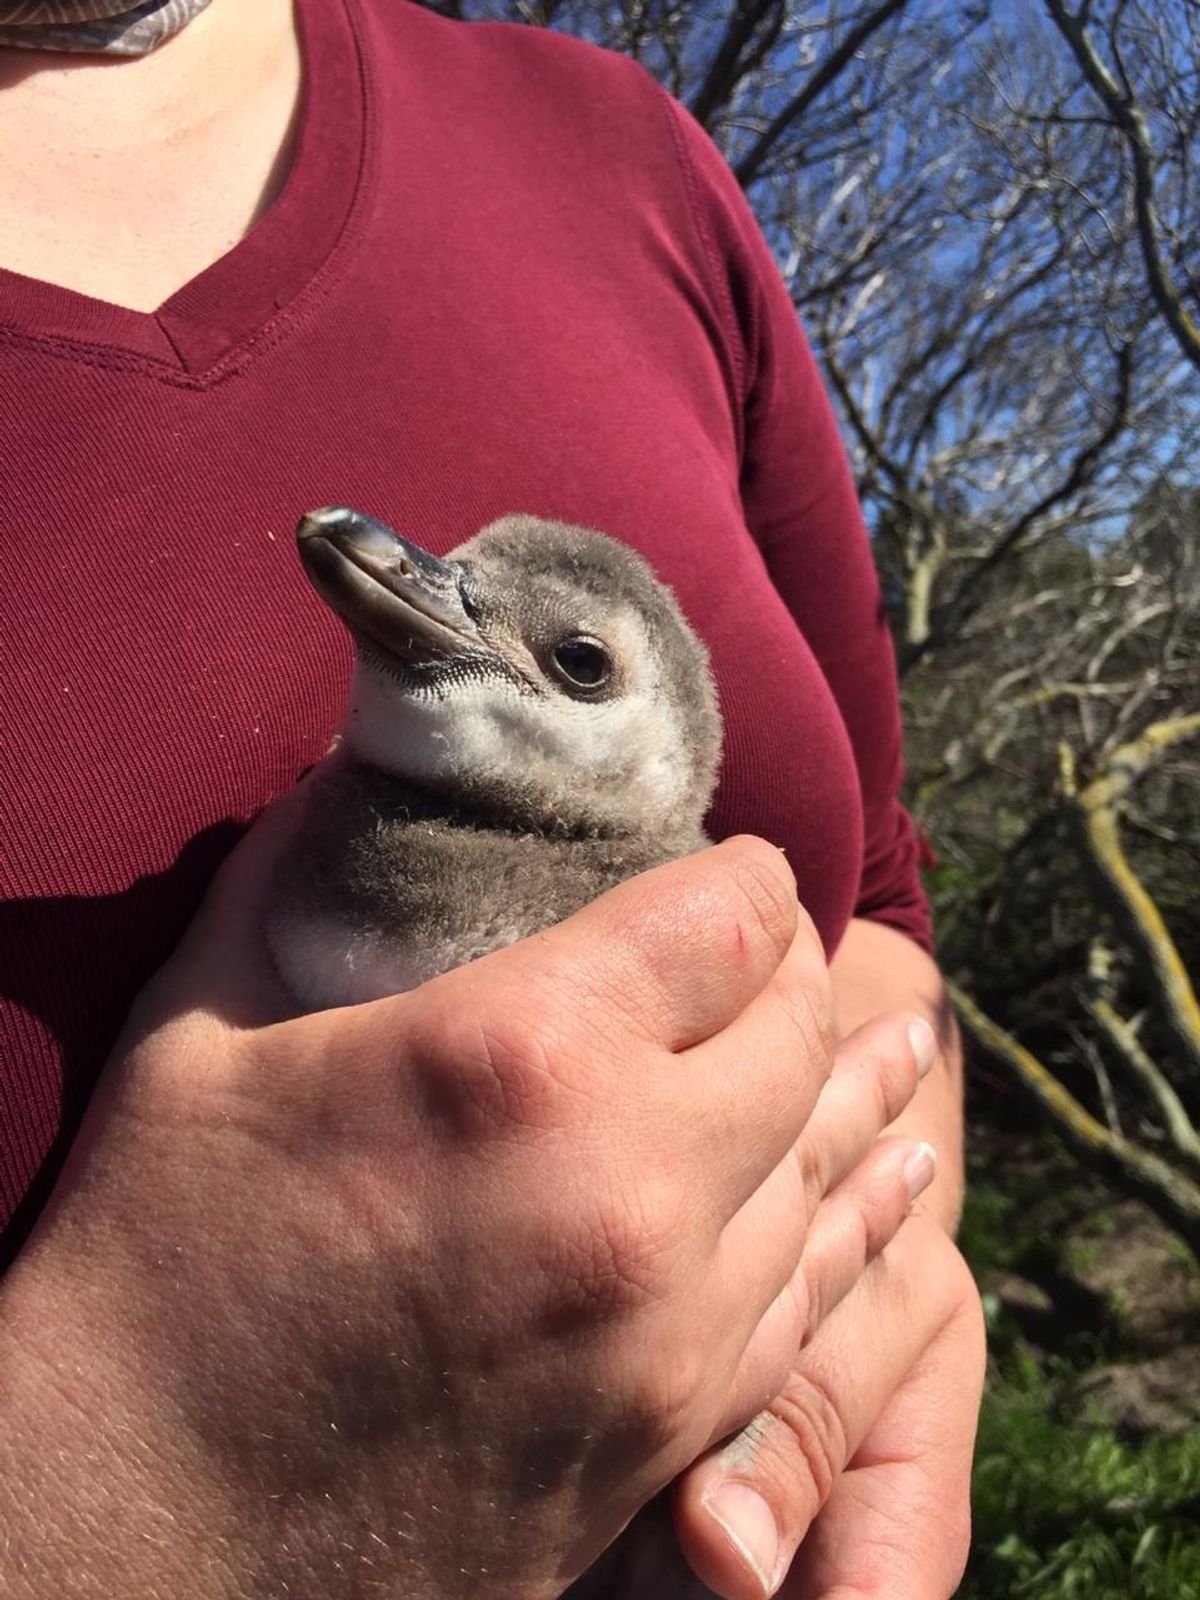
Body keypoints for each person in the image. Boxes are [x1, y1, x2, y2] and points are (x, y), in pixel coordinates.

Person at [0, 1, 985, 1596]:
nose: (414, 590)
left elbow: (866, 904)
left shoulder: (621, 153)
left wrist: (859, 1284)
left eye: (575, 664)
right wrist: (146, 1476)